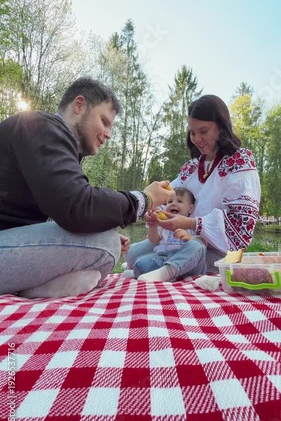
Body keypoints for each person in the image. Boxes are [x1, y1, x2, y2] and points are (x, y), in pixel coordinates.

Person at [0, 77, 173, 298]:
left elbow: (55, 208)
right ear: (79, 105)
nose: (108, 134)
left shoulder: (48, 138)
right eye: (104, 121)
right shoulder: (41, 127)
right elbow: (77, 206)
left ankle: (34, 288)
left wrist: (91, 230)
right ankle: (33, 288)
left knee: (101, 235)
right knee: (104, 242)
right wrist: (144, 199)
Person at [125, 94, 261, 276]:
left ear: (221, 127)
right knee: (132, 255)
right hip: (179, 241)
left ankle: (163, 270)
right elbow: (166, 196)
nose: (196, 139)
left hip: (216, 250)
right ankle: (155, 266)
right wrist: (152, 211)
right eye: (192, 132)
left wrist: (191, 223)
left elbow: (240, 231)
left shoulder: (240, 163)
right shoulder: (192, 166)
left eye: (203, 131)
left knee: (192, 249)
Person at [129, 187, 207, 282]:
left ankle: (167, 273)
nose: (173, 204)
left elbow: (203, 244)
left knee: (196, 245)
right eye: (170, 202)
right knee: (139, 264)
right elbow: (153, 240)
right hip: (163, 259)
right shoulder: (163, 223)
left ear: (190, 209)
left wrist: (189, 238)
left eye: (179, 201)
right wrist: (153, 226)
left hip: (188, 263)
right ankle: (139, 272)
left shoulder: (192, 224)